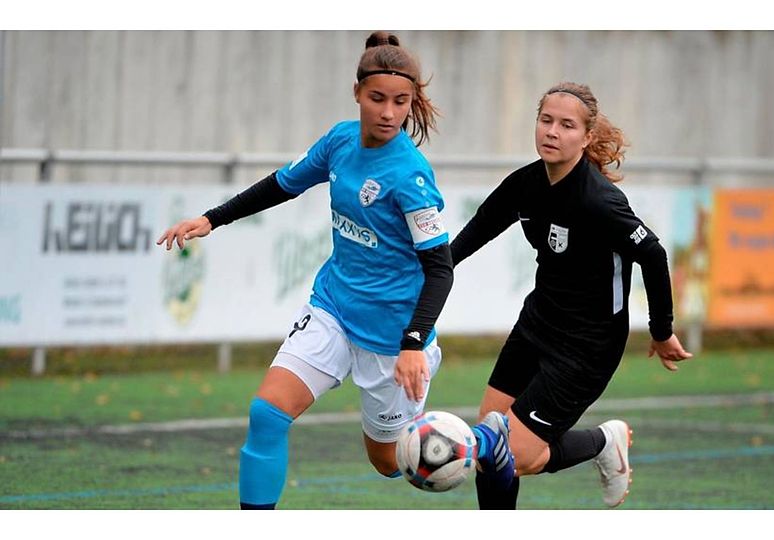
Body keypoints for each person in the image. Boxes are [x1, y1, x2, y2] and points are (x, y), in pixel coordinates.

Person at [156, 31, 514, 510]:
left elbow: (440, 269)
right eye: (378, 99)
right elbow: (282, 185)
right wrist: (212, 218)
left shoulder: (409, 174)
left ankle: (486, 440)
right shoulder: (340, 141)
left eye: (401, 102)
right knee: (267, 413)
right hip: (333, 310)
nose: (389, 112)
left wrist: (413, 342)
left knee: (393, 464)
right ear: (358, 94)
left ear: (412, 103)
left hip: (393, 338)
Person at [450, 82, 693, 510]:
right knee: (490, 445)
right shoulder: (526, 183)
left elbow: (653, 254)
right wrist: (434, 271)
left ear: (586, 135)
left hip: (587, 347)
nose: (552, 132)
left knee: (517, 456)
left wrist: (661, 331)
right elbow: (479, 228)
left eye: (566, 125)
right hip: (538, 323)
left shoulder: (599, 201)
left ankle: (602, 442)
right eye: (546, 121)